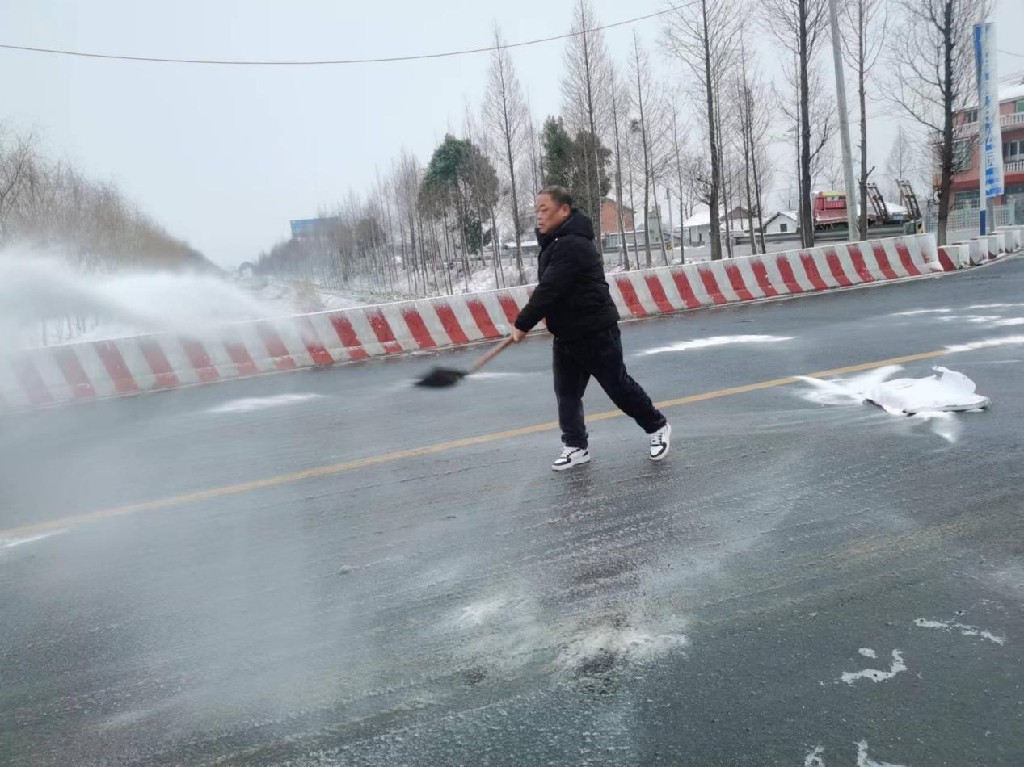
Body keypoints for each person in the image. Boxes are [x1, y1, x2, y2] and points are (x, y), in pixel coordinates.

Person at [510, 186, 670, 472]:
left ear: (564, 210)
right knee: (567, 393)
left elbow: (550, 289)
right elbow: (553, 291)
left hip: (595, 331)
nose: (539, 216)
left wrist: (523, 323)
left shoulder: (572, 245)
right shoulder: (554, 243)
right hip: (567, 334)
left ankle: (657, 427)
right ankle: (576, 446)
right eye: (536, 211)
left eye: (544, 210)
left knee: (618, 387)